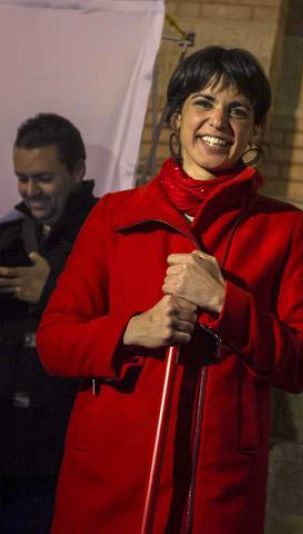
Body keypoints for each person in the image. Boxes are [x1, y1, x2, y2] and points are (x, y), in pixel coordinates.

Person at [37, 47, 303, 533]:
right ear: (176, 117)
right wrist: (131, 330)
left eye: (238, 110)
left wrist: (226, 303)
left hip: (215, 495)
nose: (219, 120)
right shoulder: (113, 214)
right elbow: (53, 343)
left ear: (254, 130)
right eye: (203, 102)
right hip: (107, 485)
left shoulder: (284, 228)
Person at [0, 113, 96, 534]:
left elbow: (125, 324)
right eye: (22, 178)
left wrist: (53, 290)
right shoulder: (6, 235)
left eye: (43, 178)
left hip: (61, 459)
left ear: (77, 171)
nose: (29, 191)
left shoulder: (108, 236)